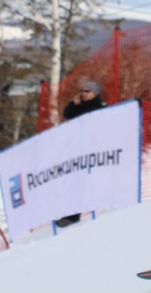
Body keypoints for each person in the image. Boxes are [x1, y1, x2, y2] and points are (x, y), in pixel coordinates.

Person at [55, 80, 105, 227]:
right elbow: (67, 114)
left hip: (95, 151)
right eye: (82, 91)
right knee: (75, 182)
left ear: (95, 93)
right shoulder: (80, 106)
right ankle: (72, 215)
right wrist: (73, 104)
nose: (83, 94)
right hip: (78, 150)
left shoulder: (99, 107)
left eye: (87, 91)